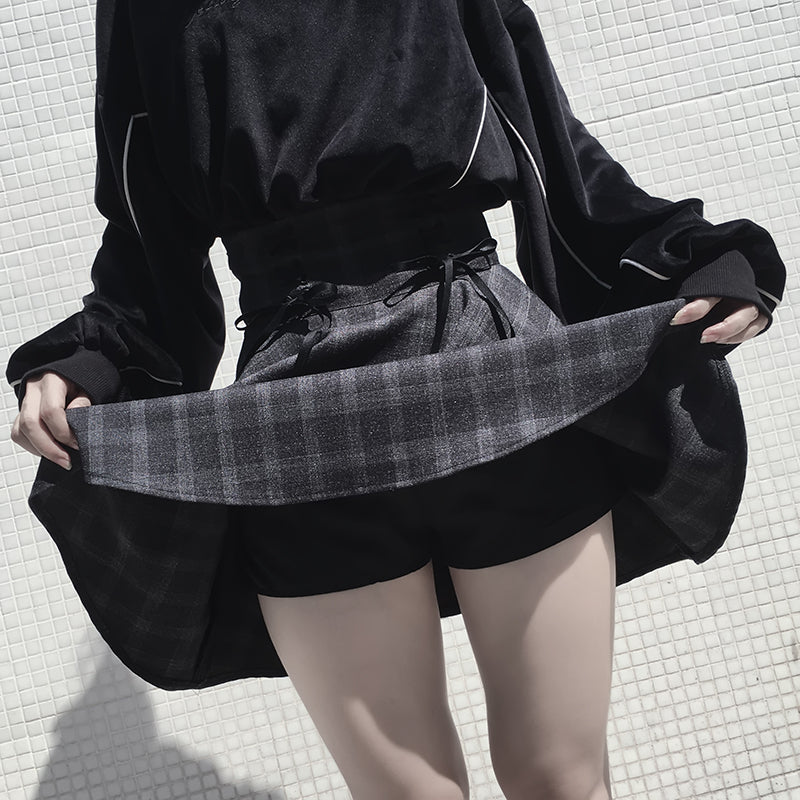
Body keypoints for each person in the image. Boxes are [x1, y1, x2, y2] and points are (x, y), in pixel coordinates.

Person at [6, 1, 787, 799]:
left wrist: (686, 262)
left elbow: (547, 138)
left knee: (560, 779)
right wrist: (95, 360)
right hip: (298, 422)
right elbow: (147, 228)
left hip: (496, 377)